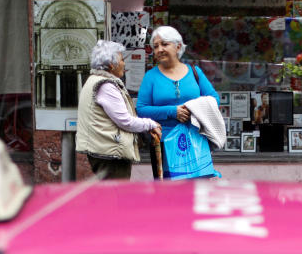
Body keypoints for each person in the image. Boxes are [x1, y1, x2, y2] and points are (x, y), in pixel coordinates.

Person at [136, 26, 221, 176]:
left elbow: (214, 99)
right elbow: (141, 109)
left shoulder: (195, 72)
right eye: (155, 46)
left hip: (195, 141)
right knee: (168, 193)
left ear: (178, 46)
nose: (159, 49)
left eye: (164, 44)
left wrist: (192, 108)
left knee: (195, 189)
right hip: (163, 144)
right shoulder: (151, 76)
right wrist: (172, 111)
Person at [76, 40, 161, 180]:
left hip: (104, 152)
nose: (124, 63)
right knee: (115, 198)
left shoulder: (94, 80)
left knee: (110, 196)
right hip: (111, 155)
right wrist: (151, 124)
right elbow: (125, 121)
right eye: (122, 60)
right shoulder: (106, 86)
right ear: (111, 64)